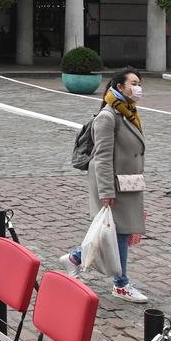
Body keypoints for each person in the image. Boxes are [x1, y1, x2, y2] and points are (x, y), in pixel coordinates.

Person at [60, 68, 148, 303]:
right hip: (114, 186)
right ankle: (121, 284)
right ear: (120, 87)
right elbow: (102, 157)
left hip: (128, 183)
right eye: (134, 83)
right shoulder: (108, 117)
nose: (138, 88)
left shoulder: (128, 113)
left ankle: (75, 258)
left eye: (139, 83)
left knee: (116, 233)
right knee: (116, 234)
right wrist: (106, 191)